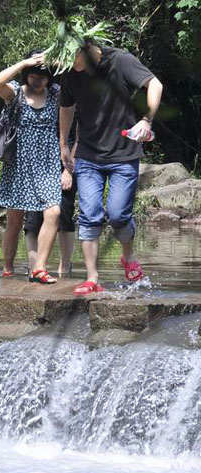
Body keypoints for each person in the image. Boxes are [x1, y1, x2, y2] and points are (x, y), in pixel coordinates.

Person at [59, 38, 163, 294]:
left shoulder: (121, 60)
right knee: (89, 214)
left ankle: (128, 257)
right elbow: (66, 107)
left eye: (73, 58)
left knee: (118, 215)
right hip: (88, 156)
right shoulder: (70, 73)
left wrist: (147, 120)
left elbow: (155, 84)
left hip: (124, 154)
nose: (71, 65)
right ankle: (92, 278)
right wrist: (63, 142)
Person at [0, 52, 64, 283]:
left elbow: (76, 77)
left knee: (53, 212)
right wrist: (24, 61)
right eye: (32, 75)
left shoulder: (56, 94)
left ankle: (39, 268)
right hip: (19, 163)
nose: (37, 80)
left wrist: (54, 61)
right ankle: (8, 268)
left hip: (47, 162)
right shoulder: (15, 93)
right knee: (14, 220)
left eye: (42, 76)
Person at [24, 110, 79, 278]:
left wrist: (68, 171)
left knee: (64, 215)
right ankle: (34, 267)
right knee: (33, 218)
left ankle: (65, 267)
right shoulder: (40, 99)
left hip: (66, 164)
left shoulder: (75, 99)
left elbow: (79, 139)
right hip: (38, 164)